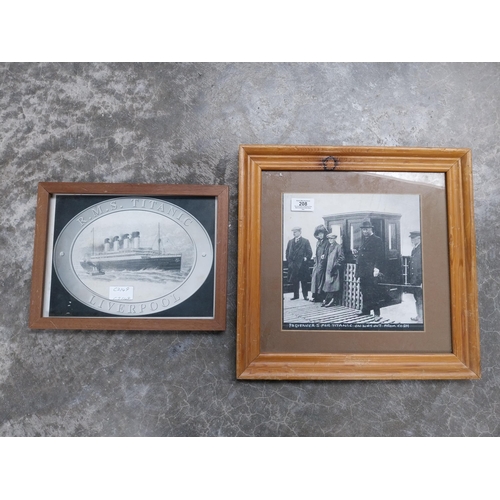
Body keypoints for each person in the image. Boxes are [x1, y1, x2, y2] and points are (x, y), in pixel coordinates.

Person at [354, 219, 384, 316]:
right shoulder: (364, 240)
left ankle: (376, 313)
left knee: (373, 292)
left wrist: (376, 268)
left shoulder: (377, 240)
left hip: (371, 271)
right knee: (364, 291)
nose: (364, 231)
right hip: (363, 271)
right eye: (363, 230)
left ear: (371, 229)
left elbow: (379, 256)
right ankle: (365, 310)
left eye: (366, 229)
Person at [285, 226, 313, 300]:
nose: (294, 233)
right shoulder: (290, 242)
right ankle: (296, 295)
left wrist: (306, 258)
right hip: (293, 265)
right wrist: (289, 261)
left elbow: (310, 252)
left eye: (296, 232)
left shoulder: (305, 241)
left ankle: (305, 296)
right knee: (294, 280)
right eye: (293, 232)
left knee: (304, 281)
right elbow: (287, 252)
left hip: (302, 265)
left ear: (300, 232)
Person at [322, 233, 345, 307]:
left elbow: (341, 257)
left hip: (334, 269)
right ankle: (327, 300)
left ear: (335, 239)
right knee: (328, 284)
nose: (330, 240)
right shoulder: (328, 247)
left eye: (331, 238)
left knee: (333, 285)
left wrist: (336, 265)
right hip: (328, 269)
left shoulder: (338, 247)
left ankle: (332, 300)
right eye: (329, 239)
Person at [309, 224, 329, 303]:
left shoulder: (326, 242)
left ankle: (321, 297)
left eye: (321, 233)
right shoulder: (317, 242)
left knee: (321, 281)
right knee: (315, 280)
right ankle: (315, 296)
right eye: (318, 234)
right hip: (317, 264)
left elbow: (326, 253)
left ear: (324, 234)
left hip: (323, 264)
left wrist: (322, 261)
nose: (320, 235)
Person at [408, 231, 423, 322]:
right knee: (417, 298)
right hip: (415, 280)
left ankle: (422, 318)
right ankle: (419, 316)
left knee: (421, 299)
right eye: (411, 239)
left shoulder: (423, 249)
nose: (412, 240)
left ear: (418, 238)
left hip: (420, 280)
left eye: (413, 238)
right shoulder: (414, 250)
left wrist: (422, 281)